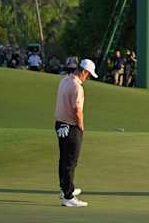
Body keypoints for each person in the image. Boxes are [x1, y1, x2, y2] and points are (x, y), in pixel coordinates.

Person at [54, 58, 98, 207]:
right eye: (88, 75)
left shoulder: (64, 80)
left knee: (64, 159)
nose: (88, 78)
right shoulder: (77, 87)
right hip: (71, 126)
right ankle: (68, 197)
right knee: (71, 161)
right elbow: (77, 110)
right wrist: (81, 127)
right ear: (83, 71)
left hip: (60, 124)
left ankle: (65, 188)